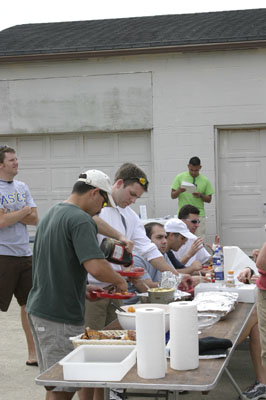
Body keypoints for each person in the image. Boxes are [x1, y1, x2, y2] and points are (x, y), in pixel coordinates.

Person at [26, 169, 131, 400]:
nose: (102, 209)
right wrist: (119, 279)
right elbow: (95, 266)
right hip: (57, 315)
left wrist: (82, 288)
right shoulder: (81, 220)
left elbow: (52, 265)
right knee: (64, 386)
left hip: (42, 308)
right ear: (94, 193)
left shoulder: (53, 213)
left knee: (56, 384)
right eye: (103, 202)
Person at [85, 163, 193, 330]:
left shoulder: (131, 216)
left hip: (117, 287)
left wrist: (176, 276)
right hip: (93, 289)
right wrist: (120, 236)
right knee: (90, 337)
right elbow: (89, 218)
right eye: (132, 194)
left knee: (116, 338)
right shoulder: (98, 206)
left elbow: (149, 250)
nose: (133, 200)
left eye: (137, 197)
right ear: (119, 183)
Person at [0, 145, 38, 366]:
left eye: (16, 159)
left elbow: (35, 219)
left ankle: (32, 354)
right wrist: (23, 211)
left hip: (25, 254)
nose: (16, 162)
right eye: (12, 160)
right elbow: (1, 222)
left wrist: (15, 215)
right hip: (3, 255)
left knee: (29, 305)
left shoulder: (22, 186)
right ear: (1, 164)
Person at [127, 221, 202, 300]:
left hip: (156, 301)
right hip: (135, 305)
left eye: (165, 237)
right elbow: (147, 287)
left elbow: (171, 275)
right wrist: (178, 282)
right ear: (146, 240)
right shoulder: (136, 258)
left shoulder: (162, 254)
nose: (165, 241)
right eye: (159, 237)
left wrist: (185, 278)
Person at [171, 156, 214, 237]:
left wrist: (200, 195)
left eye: (196, 170)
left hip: (199, 215)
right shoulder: (179, 177)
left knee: (198, 241)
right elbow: (172, 196)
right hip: (183, 215)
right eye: (191, 170)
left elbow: (209, 199)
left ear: (200, 167)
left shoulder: (205, 180)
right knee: (181, 240)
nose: (193, 172)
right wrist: (179, 190)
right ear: (188, 166)